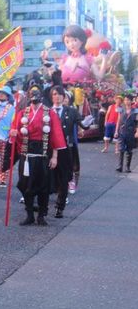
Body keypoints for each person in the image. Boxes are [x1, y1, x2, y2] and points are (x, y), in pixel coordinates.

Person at [10, 85, 66, 226]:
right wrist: (13, 133)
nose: (34, 102)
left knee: (43, 185)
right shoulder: (22, 113)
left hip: (43, 152)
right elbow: (15, 132)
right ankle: (29, 214)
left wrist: (55, 156)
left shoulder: (49, 113)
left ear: (41, 98)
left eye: (36, 99)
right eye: (32, 99)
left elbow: (56, 135)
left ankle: (41, 215)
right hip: (27, 153)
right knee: (25, 183)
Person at [50, 86, 92, 218]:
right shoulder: (46, 111)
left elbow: (83, 124)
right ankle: (42, 206)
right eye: (54, 94)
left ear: (64, 97)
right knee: (46, 177)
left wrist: (87, 122)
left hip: (65, 149)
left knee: (64, 179)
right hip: (48, 150)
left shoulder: (71, 111)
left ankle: (60, 207)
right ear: (52, 97)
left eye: (59, 94)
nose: (57, 97)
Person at [0, 86, 15, 188]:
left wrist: (10, 133)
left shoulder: (12, 109)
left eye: (3, 93)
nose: (1, 94)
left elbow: (13, 123)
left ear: (8, 96)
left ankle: (3, 179)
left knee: (4, 159)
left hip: (5, 136)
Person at [114, 93, 138, 173]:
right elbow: (118, 121)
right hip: (122, 132)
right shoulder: (121, 110)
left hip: (131, 132)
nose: (126, 101)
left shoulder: (135, 111)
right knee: (121, 149)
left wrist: (137, 131)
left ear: (131, 101)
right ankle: (120, 166)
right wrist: (116, 131)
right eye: (125, 100)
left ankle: (127, 167)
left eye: (128, 100)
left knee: (129, 150)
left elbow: (137, 122)